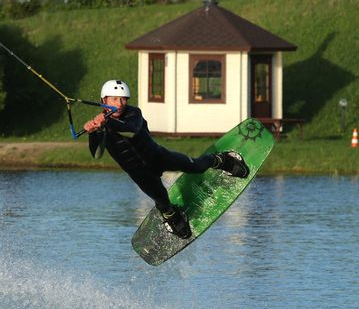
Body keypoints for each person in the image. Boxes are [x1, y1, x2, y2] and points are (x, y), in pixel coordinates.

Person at [83, 79, 249, 239]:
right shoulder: (101, 127)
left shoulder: (134, 113)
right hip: (140, 173)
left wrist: (107, 123)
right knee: (162, 200)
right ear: (104, 100)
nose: (120, 104)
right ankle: (172, 217)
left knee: (196, 166)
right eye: (114, 99)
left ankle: (221, 160)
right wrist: (93, 132)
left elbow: (131, 131)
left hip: (159, 157)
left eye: (123, 99)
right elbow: (97, 155)